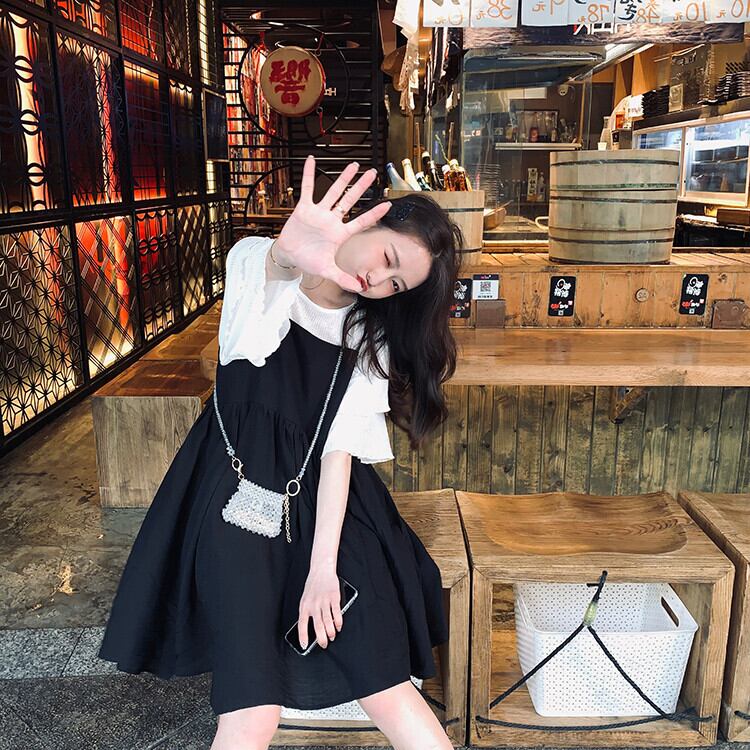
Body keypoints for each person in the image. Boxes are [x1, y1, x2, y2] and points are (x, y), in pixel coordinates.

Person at [97, 155, 464, 750]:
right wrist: (287, 258)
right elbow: (244, 345)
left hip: (330, 505)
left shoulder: (367, 335)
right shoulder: (257, 264)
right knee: (253, 711)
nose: (378, 279)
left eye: (396, 284)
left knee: (389, 687)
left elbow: (340, 452)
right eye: (387, 258)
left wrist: (323, 570)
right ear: (368, 221)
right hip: (233, 494)